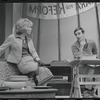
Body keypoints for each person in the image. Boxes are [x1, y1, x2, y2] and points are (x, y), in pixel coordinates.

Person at [0, 18, 53, 86]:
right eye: (30, 27)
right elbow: (1, 48)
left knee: (46, 72)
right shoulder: (12, 38)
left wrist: (38, 60)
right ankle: (36, 83)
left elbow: (33, 52)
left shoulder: (29, 40)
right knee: (43, 71)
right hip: (22, 62)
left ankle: (39, 89)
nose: (31, 29)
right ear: (24, 28)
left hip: (31, 61)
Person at [71, 27, 98, 98]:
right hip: (79, 67)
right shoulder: (74, 46)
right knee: (91, 70)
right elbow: (76, 57)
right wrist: (81, 47)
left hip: (91, 64)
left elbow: (95, 52)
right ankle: (87, 91)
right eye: (76, 34)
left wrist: (93, 58)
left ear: (83, 33)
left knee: (96, 69)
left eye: (79, 33)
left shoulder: (92, 42)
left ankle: (93, 90)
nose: (77, 36)